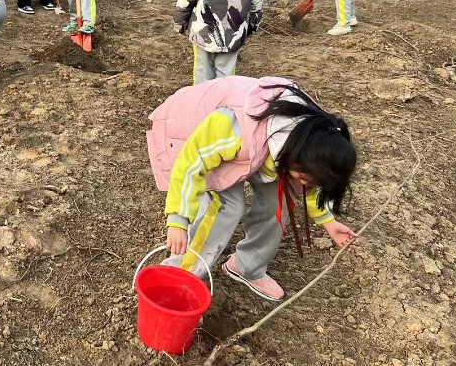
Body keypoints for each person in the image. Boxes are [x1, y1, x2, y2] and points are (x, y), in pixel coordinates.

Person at [146, 76, 358, 301]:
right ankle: (178, 277)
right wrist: (178, 219)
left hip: (253, 151)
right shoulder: (234, 128)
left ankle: (247, 266)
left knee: (281, 197)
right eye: (306, 178)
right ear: (295, 159)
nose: (307, 185)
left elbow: (309, 182)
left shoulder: (313, 138)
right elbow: (191, 162)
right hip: (188, 136)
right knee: (227, 206)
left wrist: (328, 222)